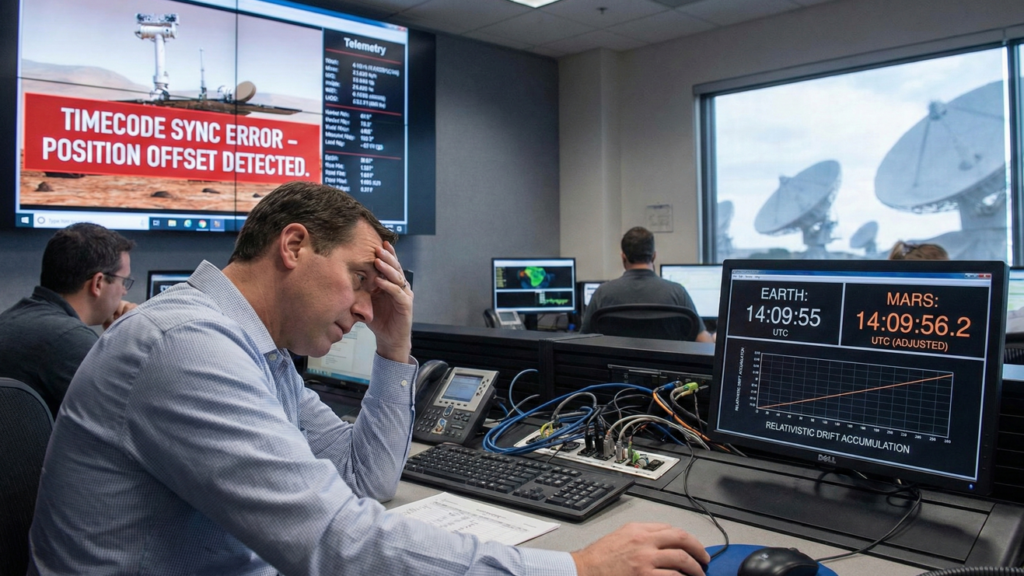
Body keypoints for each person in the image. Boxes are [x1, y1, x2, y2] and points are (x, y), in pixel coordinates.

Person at [29, 182, 710, 576]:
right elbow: (335, 541)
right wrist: (573, 569)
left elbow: (366, 483)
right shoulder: (187, 348)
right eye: (361, 279)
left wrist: (393, 346)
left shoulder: (253, 353)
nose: (365, 306)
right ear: (293, 246)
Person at [0, 222, 135, 416]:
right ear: (98, 283)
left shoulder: (14, 318)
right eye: (124, 281)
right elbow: (126, 417)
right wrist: (132, 336)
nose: (124, 291)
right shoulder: (68, 339)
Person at [581, 226, 715, 343]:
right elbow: (704, 343)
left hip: (615, 370)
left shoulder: (602, 293)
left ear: (623, 257)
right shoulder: (677, 293)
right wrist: (714, 337)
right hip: (665, 370)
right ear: (654, 256)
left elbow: (582, 341)